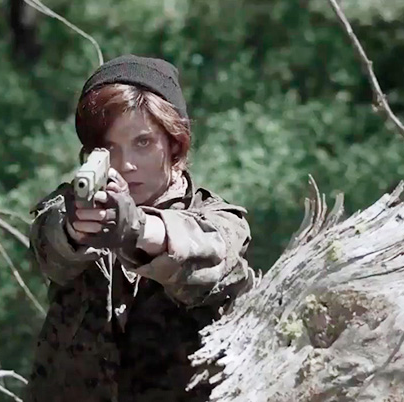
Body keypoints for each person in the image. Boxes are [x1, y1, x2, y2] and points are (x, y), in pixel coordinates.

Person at [24, 54, 254, 402]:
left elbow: (207, 254)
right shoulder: (72, 207)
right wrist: (74, 230)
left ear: (174, 144)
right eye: (109, 148)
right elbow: (48, 242)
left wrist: (137, 229)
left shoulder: (217, 218)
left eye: (143, 143)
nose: (127, 164)